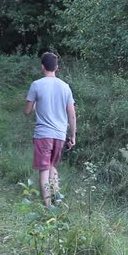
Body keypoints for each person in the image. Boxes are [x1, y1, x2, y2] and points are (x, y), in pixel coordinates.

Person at [24, 52, 76, 207]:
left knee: (44, 171)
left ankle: (47, 208)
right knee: (52, 165)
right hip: (60, 135)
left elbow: (27, 111)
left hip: (43, 134)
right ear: (57, 68)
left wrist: (34, 105)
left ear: (42, 67)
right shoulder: (65, 87)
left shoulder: (36, 85)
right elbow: (72, 114)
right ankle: (58, 199)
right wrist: (72, 136)